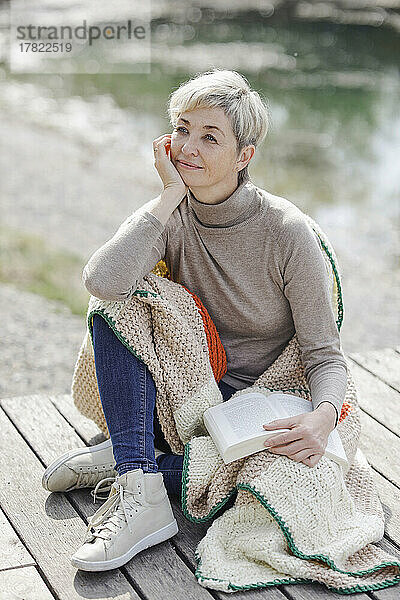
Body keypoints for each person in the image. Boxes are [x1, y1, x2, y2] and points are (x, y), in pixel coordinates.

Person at [42, 68, 347, 572]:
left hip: (258, 404)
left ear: (244, 155)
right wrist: (166, 196)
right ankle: (143, 490)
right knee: (118, 303)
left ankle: (128, 457)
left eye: (210, 137)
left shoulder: (287, 232)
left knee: (273, 482)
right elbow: (102, 282)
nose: (189, 147)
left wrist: (322, 417)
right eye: (182, 129)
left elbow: (324, 355)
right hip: (187, 395)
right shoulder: (168, 214)